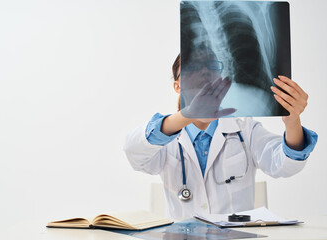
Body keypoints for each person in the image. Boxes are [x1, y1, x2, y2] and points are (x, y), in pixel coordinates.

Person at [123, 53, 318, 220]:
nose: (204, 71)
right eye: (193, 67)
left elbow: (285, 165)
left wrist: (292, 120)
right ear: (177, 86)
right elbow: (134, 152)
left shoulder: (245, 129)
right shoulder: (165, 135)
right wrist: (185, 116)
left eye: (212, 66)